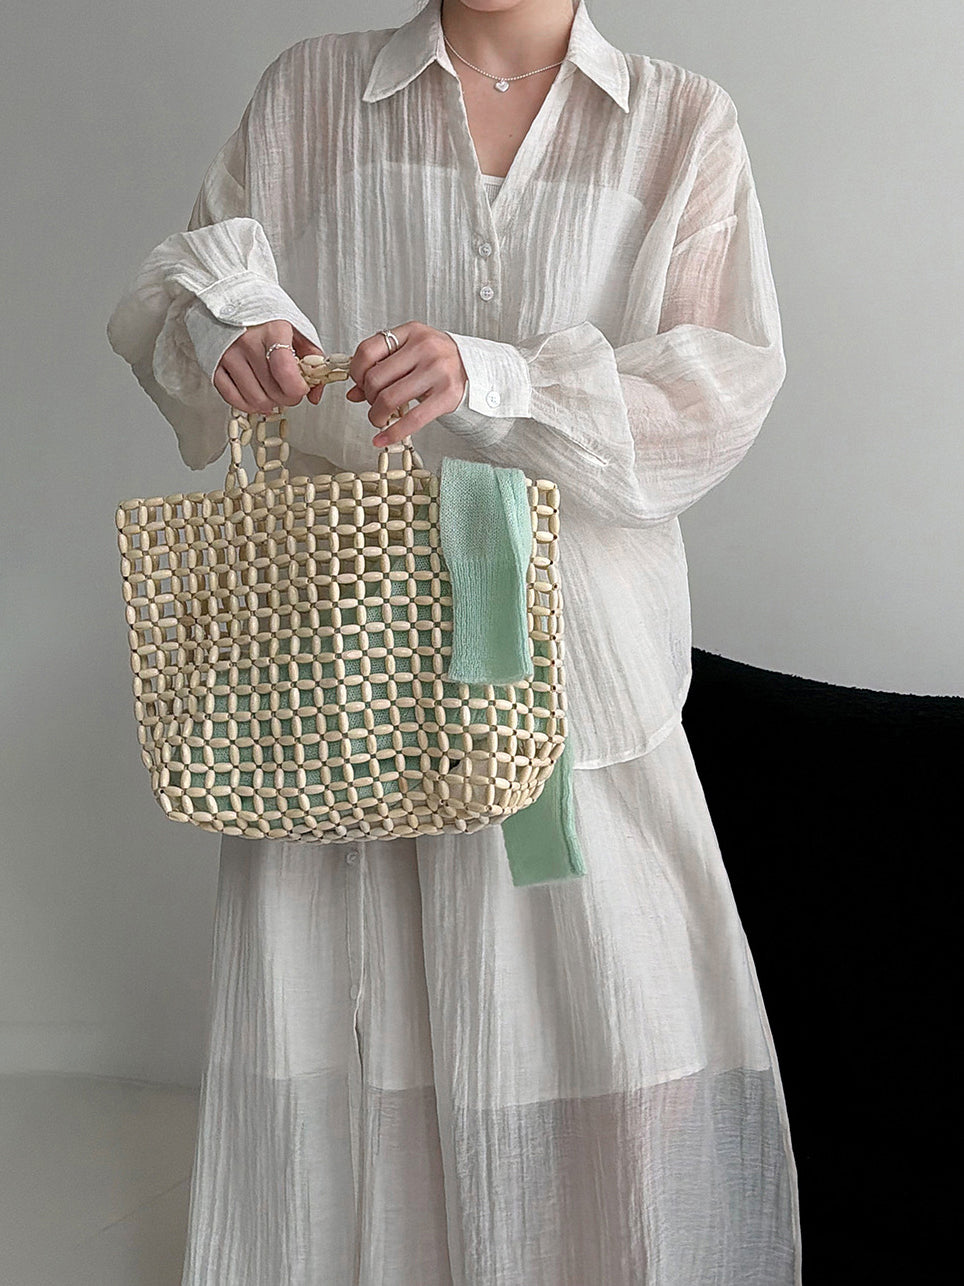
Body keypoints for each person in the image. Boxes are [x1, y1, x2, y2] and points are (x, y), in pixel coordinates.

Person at [106, 1, 801, 1281]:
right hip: (340, 683)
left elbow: (715, 391)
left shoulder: (675, 121)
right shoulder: (313, 91)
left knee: (622, 1040)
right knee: (344, 1042)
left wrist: (497, 378)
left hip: (577, 679)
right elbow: (186, 279)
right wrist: (234, 330)